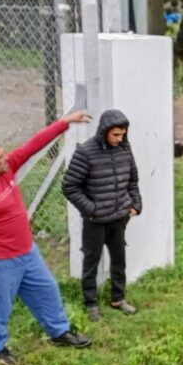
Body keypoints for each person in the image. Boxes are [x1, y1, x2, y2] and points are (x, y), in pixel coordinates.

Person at [0, 111, 93, 365]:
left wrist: (65, 122)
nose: (5, 158)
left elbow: (33, 145)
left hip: (27, 252)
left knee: (48, 290)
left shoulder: (7, 169)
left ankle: (59, 332)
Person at [61, 109, 142, 322]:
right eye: (115, 135)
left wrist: (136, 204)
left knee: (119, 260)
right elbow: (70, 186)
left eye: (122, 134)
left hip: (119, 218)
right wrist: (91, 209)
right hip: (95, 222)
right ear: (104, 131)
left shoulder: (125, 149)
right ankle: (91, 303)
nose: (119, 138)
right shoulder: (86, 152)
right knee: (91, 262)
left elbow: (133, 180)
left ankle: (118, 298)